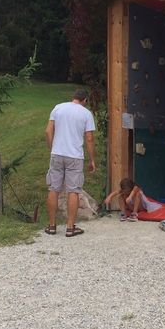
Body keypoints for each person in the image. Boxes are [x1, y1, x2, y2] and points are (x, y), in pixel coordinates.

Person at [44, 88, 96, 237]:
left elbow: (48, 131)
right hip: (75, 156)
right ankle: (70, 227)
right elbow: (89, 138)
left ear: (73, 97)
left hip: (57, 154)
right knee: (73, 191)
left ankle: (52, 226)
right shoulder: (86, 114)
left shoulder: (58, 108)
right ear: (85, 100)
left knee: (53, 189)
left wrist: (52, 148)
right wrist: (92, 159)